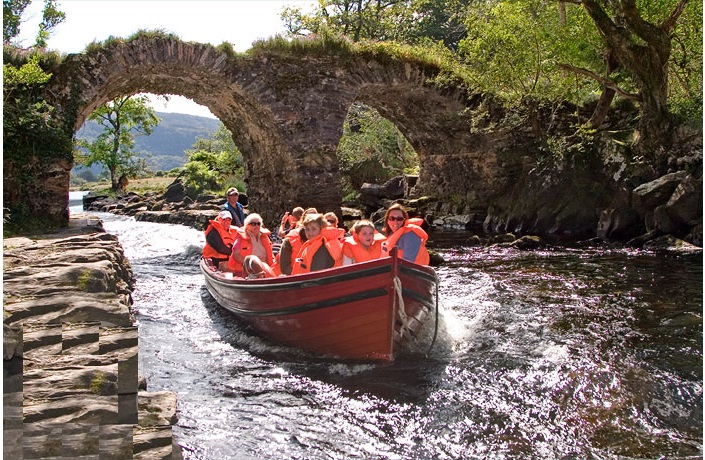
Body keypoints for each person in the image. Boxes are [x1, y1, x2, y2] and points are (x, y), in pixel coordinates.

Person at [228, 213, 275, 277]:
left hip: (266, 267)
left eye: (258, 224)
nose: (256, 226)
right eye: (253, 224)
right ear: (247, 225)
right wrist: (248, 265)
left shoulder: (264, 237)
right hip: (249, 269)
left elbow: (270, 253)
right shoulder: (241, 237)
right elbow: (235, 255)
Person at [274, 207, 318, 275]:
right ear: (303, 220)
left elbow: (281, 233)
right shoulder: (292, 234)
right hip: (295, 276)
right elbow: (285, 267)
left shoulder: (324, 237)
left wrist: (283, 222)